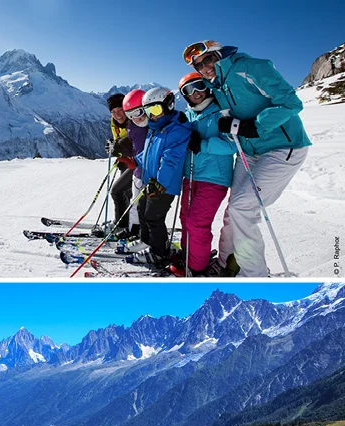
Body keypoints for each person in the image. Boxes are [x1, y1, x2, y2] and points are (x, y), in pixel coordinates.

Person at [184, 40, 310, 277]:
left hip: (284, 147)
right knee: (233, 210)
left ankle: (254, 276)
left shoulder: (251, 67)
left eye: (208, 59)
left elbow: (292, 103)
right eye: (199, 65)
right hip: (250, 152)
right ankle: (224, 263)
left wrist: (255, 126)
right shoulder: (217, 87)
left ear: (219, 54)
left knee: (243, 208)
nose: (206, 67)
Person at [173, 72, 236, 277]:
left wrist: (202, 144)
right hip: (191, 175)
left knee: (196, 222)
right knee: (185, 218)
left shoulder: (221, 111)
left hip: (214, 177)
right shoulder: (188, 115)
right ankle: (189, 255)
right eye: (188, 91)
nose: (196, 93)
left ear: (206, 86)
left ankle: (196, 267)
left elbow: (232, 145)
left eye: (199, 86)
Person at [131, 87, 192, 270]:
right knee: (141, 208)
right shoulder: (156, 128)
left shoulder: (177, 130)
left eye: (156, 110)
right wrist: (134, 160)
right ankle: (149, 243)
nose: (152, 116)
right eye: (148, 111)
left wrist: (160, 183)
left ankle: (159, 253)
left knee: (153, 217)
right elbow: (149, 153)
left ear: (169, 105)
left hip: (164, 185)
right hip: (151, 182)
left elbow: (171, 160)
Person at [106, 93, 138, 237]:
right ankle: (126, 222)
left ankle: (124, 224)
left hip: (138, 164)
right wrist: (117, 151)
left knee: (118, 191)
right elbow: (119, 141)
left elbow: (136, 144)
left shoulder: (136, 121)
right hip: (128, 162)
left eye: (120, 110)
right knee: (126, 193)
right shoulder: (114, 123)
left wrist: (120, 147)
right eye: (113, 112)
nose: (117, 115)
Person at [121, 90, 150, 238]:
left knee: (146, 207)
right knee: (135, 203)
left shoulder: (154, 125)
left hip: (151, 174)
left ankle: (144, 233)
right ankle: (134, 229)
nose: (135, 118)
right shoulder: (132, 126)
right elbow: (134, 146)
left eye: (137, 112)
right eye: (129, 115)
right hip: (138, 171)